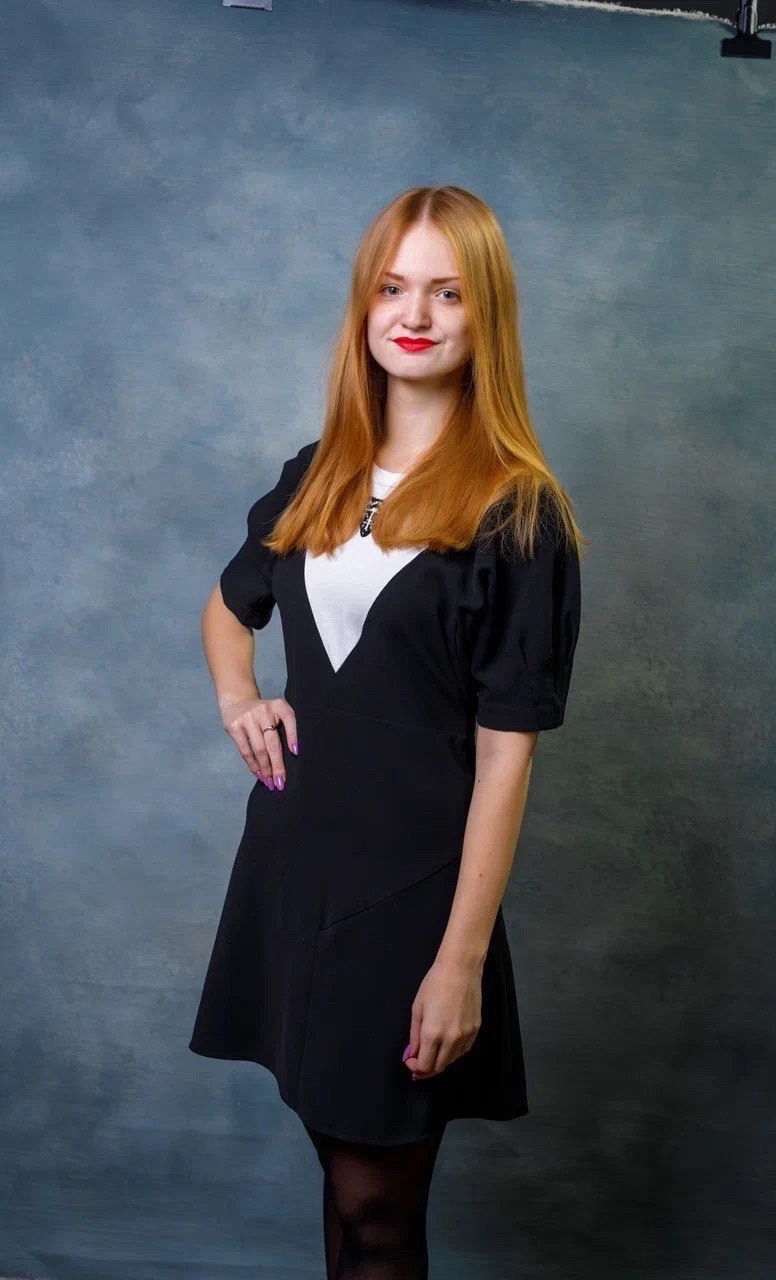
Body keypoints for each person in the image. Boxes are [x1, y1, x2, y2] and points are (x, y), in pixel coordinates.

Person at [189, 184, 586, 1279]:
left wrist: (459, 962)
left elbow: (506, 755)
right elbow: (228, 606)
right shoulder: (319, 470)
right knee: (339, 1173)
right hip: (292, 869)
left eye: (447, 293)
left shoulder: (519, 511)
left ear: (485, 315)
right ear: (363, 306)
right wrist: (239, 697)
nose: (414, 315)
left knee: (376, 1205)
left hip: (411, 898)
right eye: (393, 287)